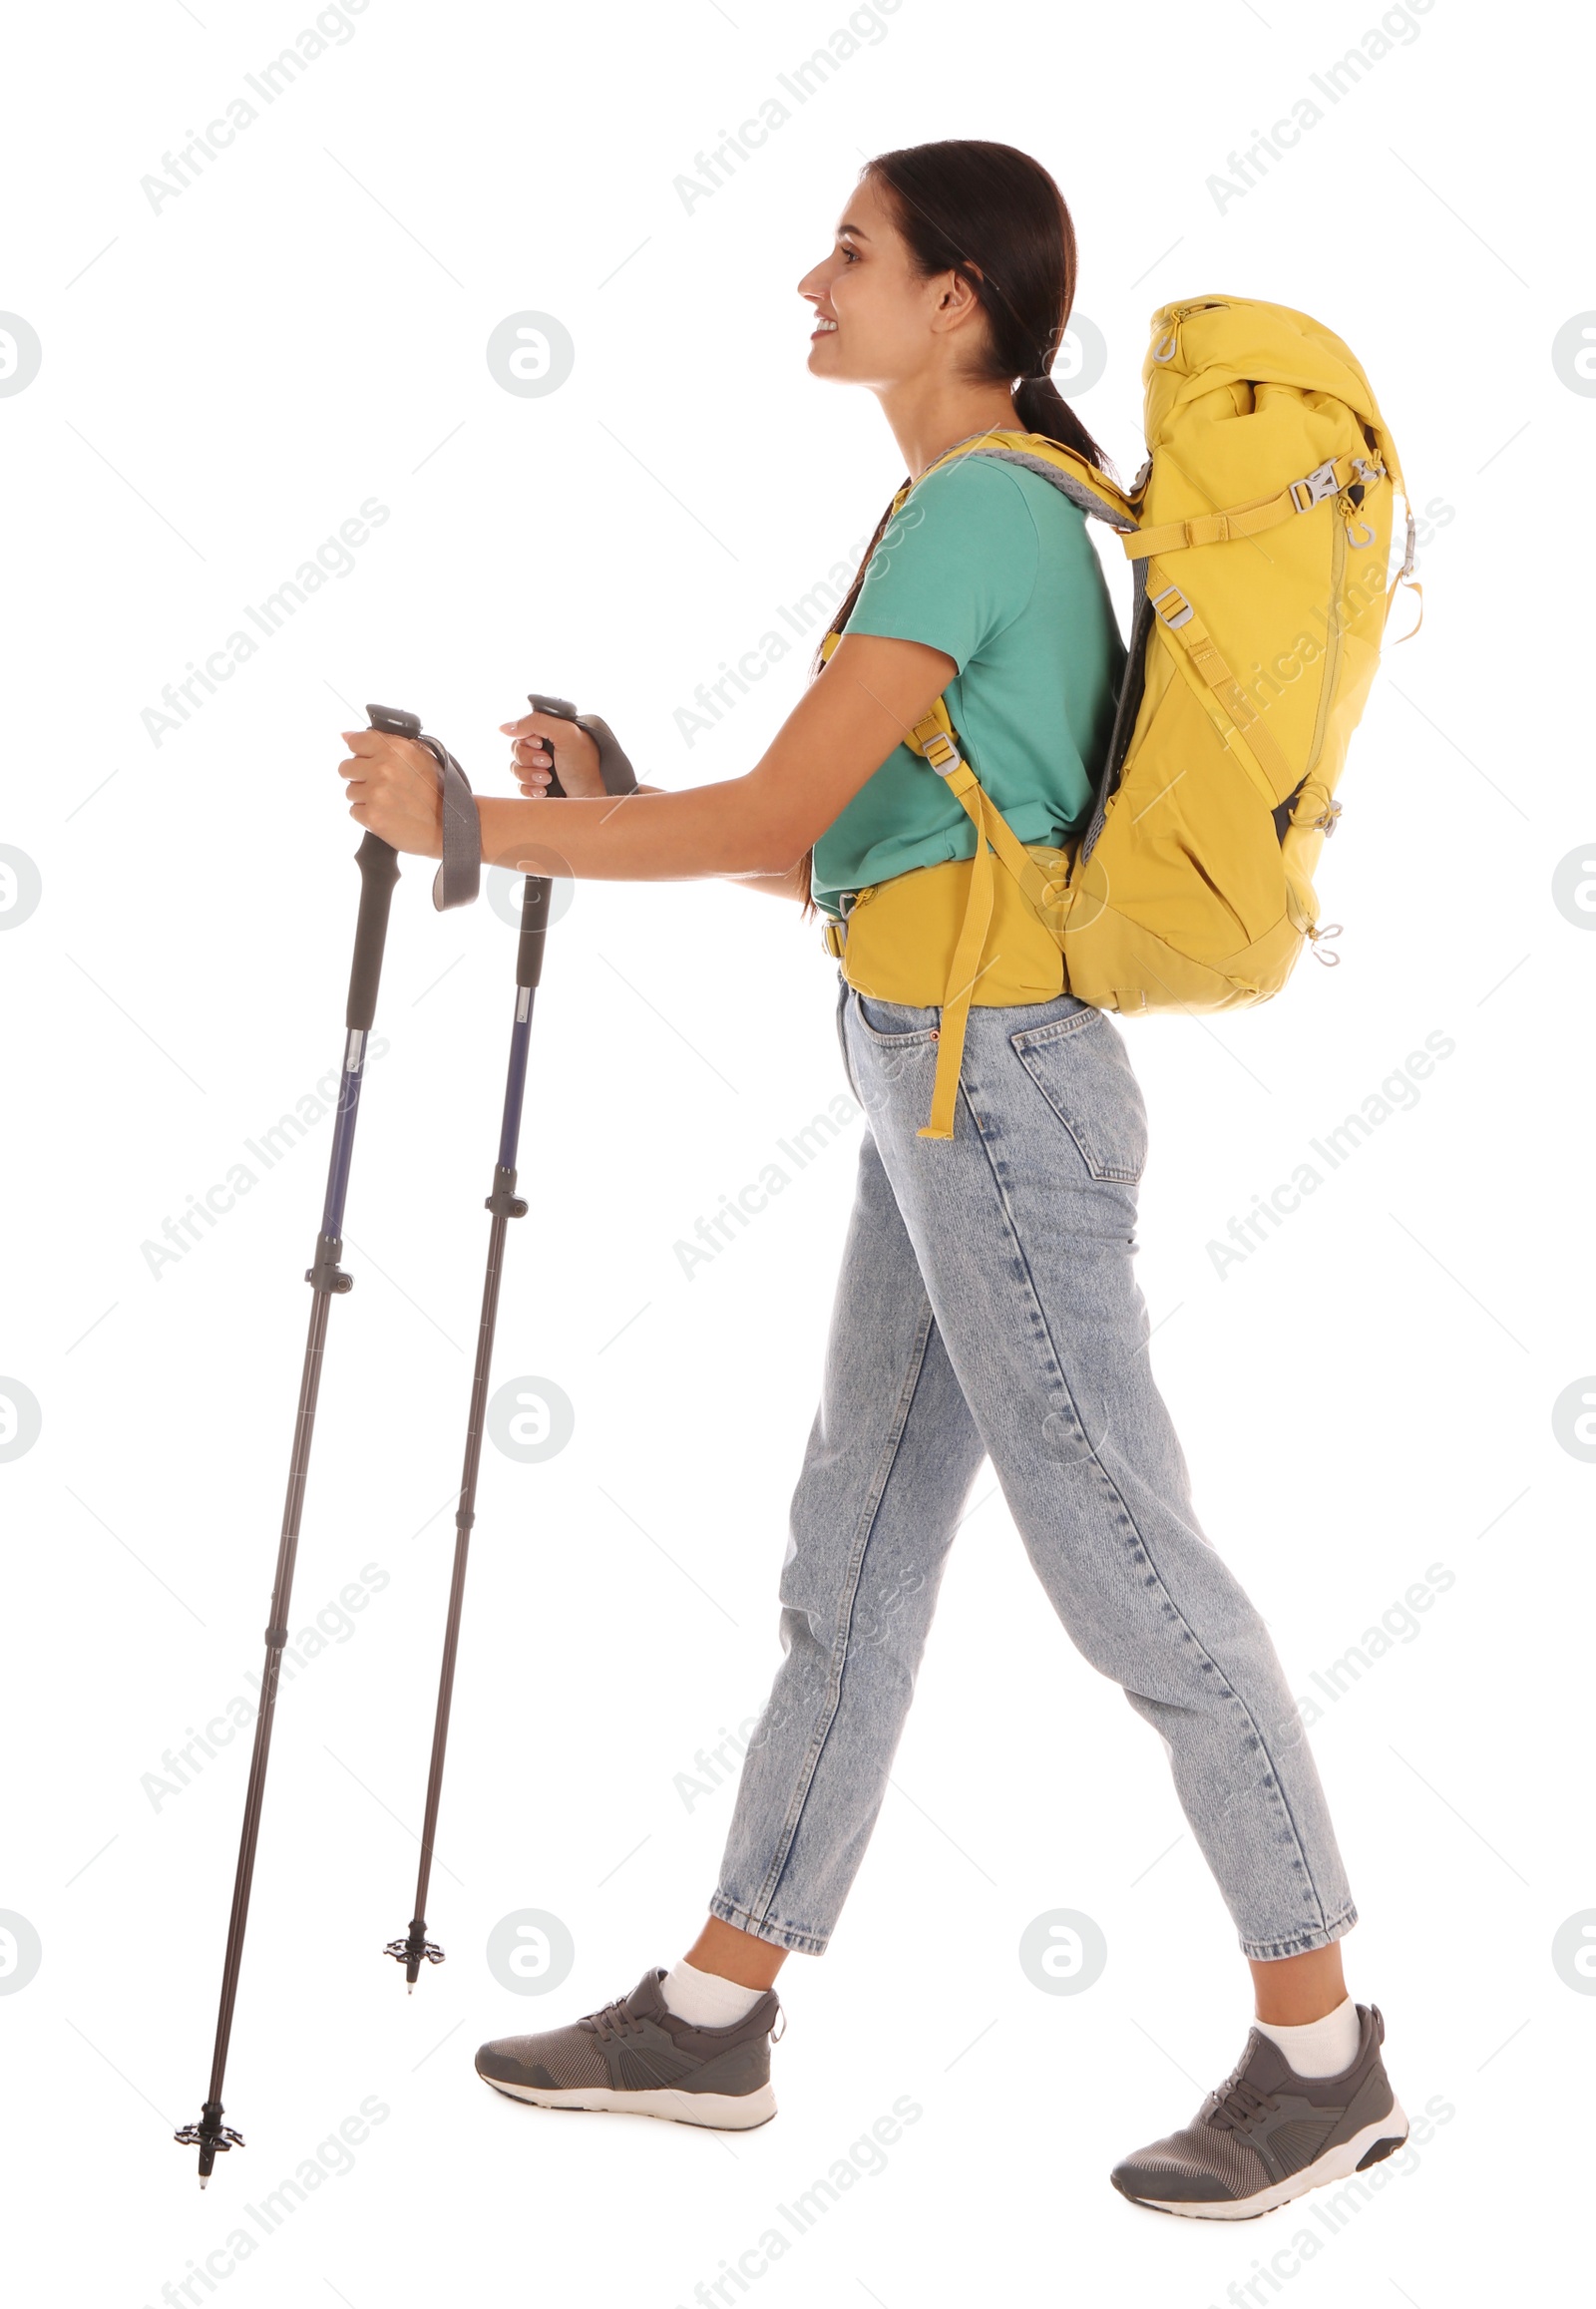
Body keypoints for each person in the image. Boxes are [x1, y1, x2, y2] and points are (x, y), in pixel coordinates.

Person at [337, 139, 1407, 2219]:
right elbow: (827, 846)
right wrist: (613, 808)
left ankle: (1321, 2050)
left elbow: (791, 803)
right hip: (937, 1080)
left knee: (1121, 1559)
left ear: (960, 305)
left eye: (851, 253)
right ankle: (720, 2009)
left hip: (987, 1103)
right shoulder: (976, 513)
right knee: (855, 1547)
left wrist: (466, 821)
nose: (809, 280)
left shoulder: (977, 514)